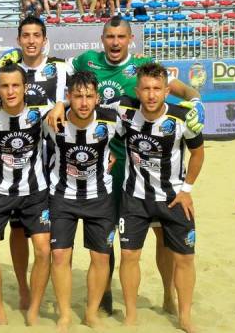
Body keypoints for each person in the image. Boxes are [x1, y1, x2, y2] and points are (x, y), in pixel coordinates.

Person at [48, 16, 205, 316]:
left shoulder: (144, 66)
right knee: (107, 234)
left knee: (161, 235)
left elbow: (181, 91)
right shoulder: (87, 61)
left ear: (130, 39)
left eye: (121, 37)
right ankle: (104, 293)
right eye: (110, 37)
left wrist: (197, 102)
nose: (115, 42)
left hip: (140, 164)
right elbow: (63, 82)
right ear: (102, 39)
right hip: (104, 163)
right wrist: (60, 103)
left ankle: (168, 294)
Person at [115, 63, 205, 333]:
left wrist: (187, 190)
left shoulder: (181, 118)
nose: (151, 95)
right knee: (129, 256)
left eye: (157, 89)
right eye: (146, 89)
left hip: (173, 198)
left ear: (167, 91)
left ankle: (183, 315)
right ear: (137, 90)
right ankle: (131, 315)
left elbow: (198, 154)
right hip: (134, 198)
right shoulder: (124, 111)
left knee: (184, 258)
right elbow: (92, 113)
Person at [0, 15, 69, 311]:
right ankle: (24, 288)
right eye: (25, 35)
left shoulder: (63, 68)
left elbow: (84, 97)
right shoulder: (7, 70)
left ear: (44, 39)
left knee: (51, 235)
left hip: (56, 162)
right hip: (18, 166)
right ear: (18, 40)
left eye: (36, 35)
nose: (30, 40)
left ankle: (48, 292)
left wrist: (61, 104)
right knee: (17, 231)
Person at [0, 63, 51, 326]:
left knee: (42, 251)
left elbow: (67, 113)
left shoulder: (41, 107)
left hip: (34, 190)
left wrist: (61, 105)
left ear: (25, 87)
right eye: (5, 86)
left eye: (16, 85)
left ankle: (33, 309)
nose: (10, 90)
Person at [46, 71, 118, 331]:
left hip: (99, 198)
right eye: (77, 97)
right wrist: (58, 106)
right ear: (68, 97)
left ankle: (91, 313)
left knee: (101, 258)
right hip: (62, 197)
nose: (84, 102)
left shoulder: (112, 120)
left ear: (98, 98)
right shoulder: (52, 121)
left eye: (89, 96)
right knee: (60, 255)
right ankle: (64, 314)